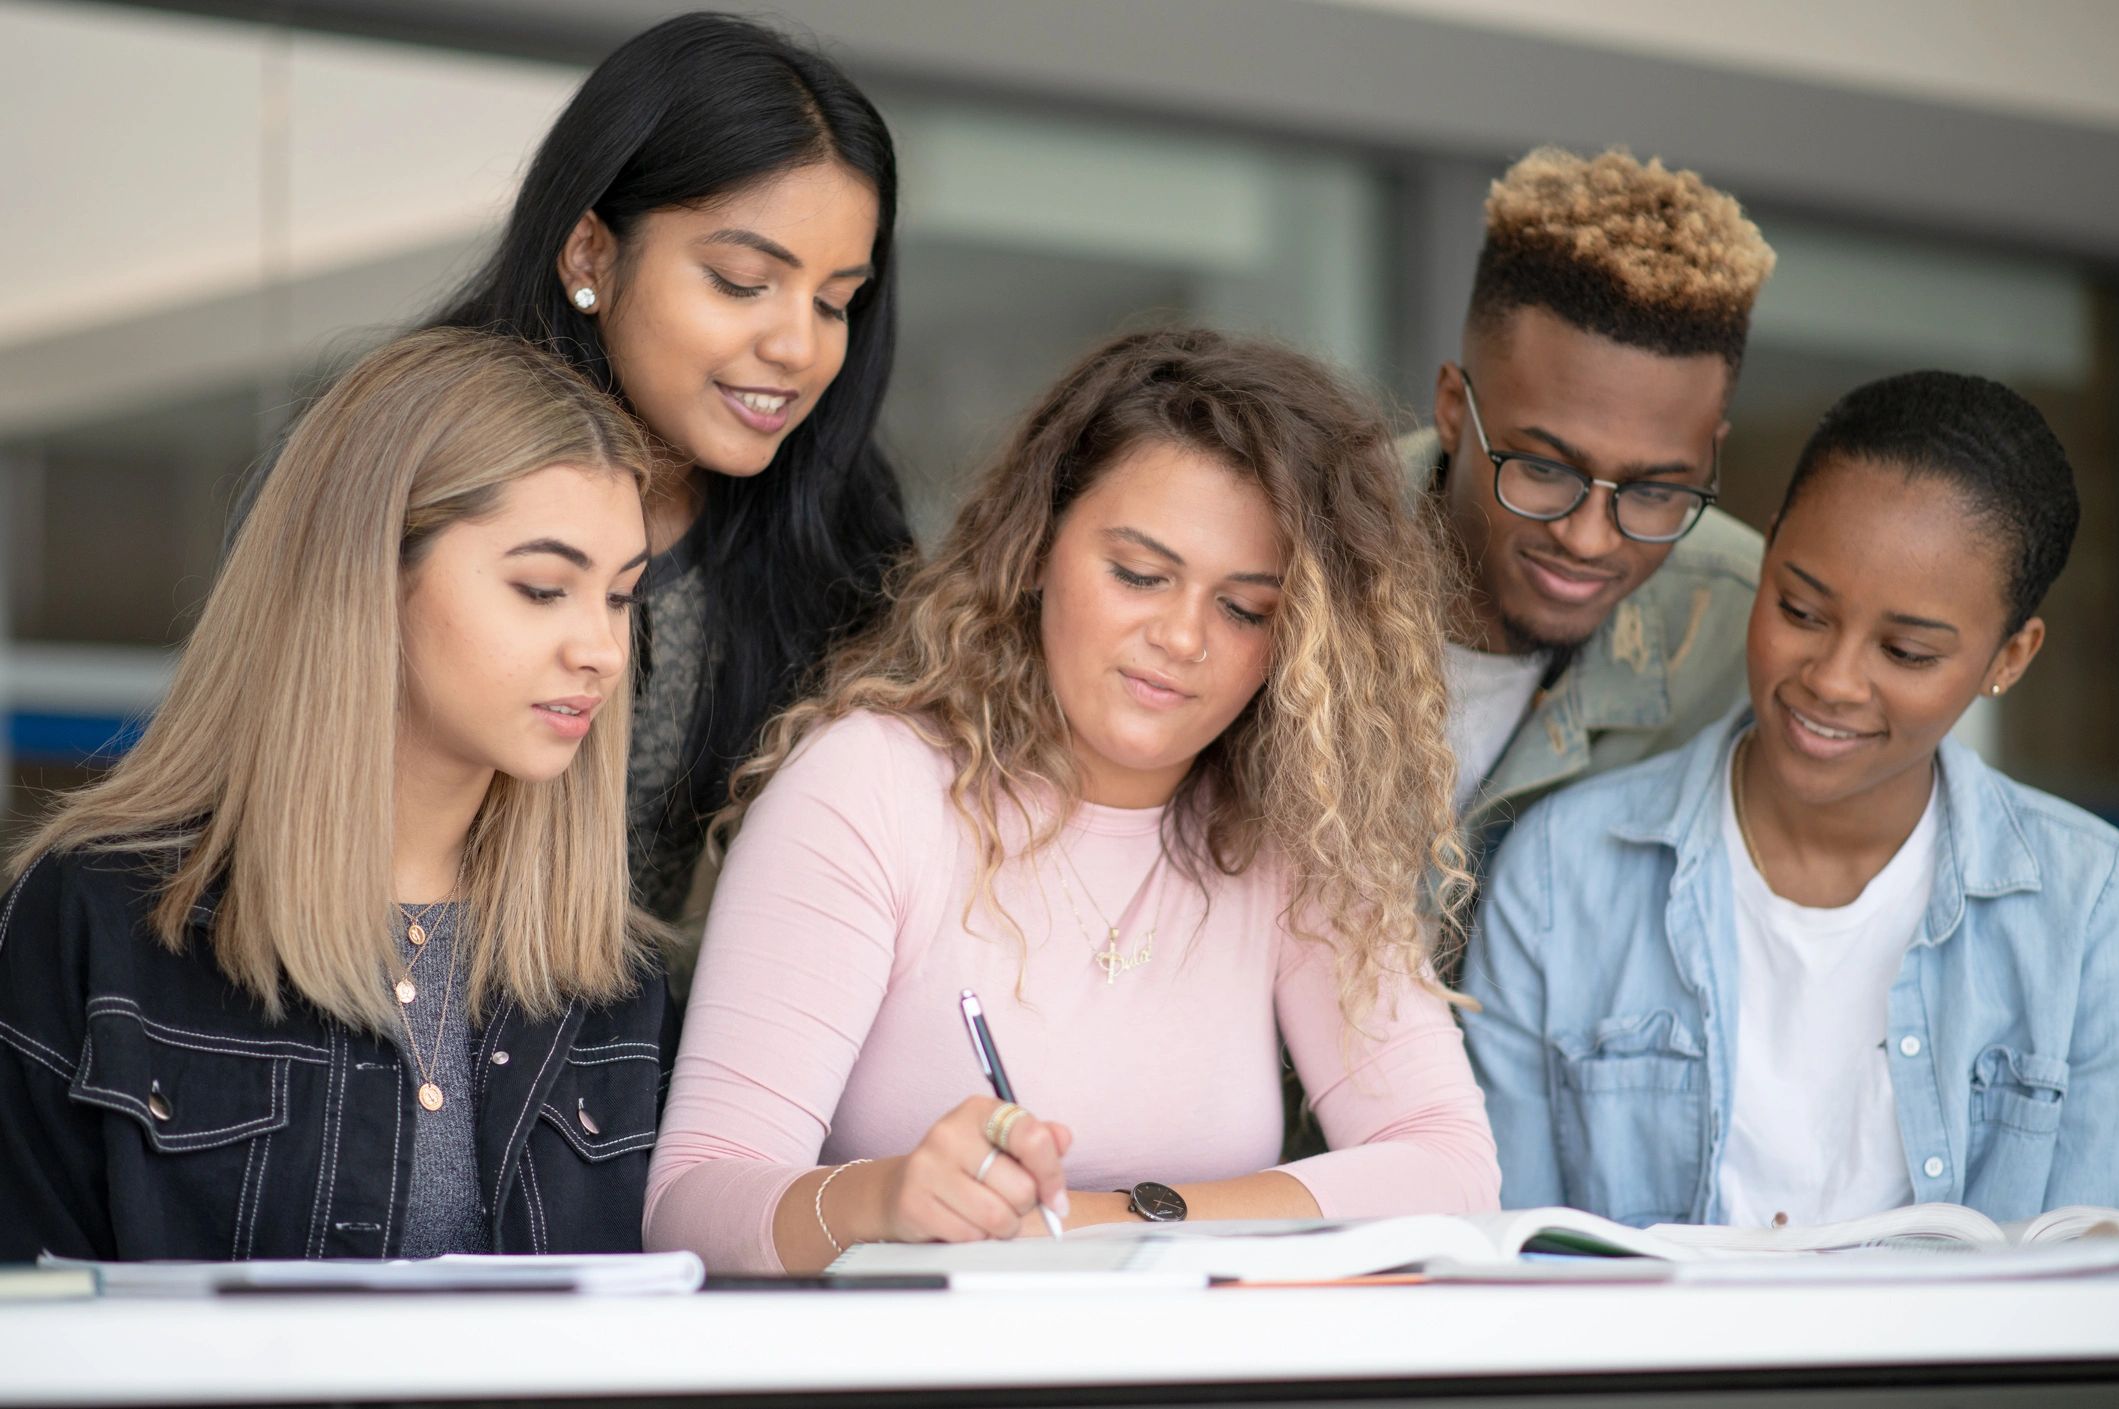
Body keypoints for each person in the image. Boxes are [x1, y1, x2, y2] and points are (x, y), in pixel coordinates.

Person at [644, 328, 1501, 1272]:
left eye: (1245, 607)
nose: (1181, 636)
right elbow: (693, 1201)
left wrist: (1113, 1223)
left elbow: (1451, 1167)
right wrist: (879, 1198)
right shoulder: (870, 788)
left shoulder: (1297, 822)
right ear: (1038, 544)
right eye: (1138, 574)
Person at [0, 329, 669, 1259]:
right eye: (543, 588)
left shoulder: (607, 975)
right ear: (369, 578)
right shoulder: (98, 923)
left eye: (621, 597)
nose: (600, 648)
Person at [1463, 371, 2119, 1227]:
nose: (1832, 680)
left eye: (1906, 652)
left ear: (2009, 656)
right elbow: (1514, 1251)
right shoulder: (1560, 871)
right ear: (1767, 552)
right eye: (1800, 608)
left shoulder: (2094, 912)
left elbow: (2092, 1284)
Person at [431, 12, 911, 928]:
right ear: (589, 253)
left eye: (836, 302)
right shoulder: (410, 471)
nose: (797, 346)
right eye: (740, 281)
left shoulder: (840, 536)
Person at [1416, 146, 1775, 876]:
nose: (1586, 538)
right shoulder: (1286, 552)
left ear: (1709, 459)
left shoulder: (1751, 626)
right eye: (1544, 469)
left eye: (1652, 491)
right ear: (1454, 408)